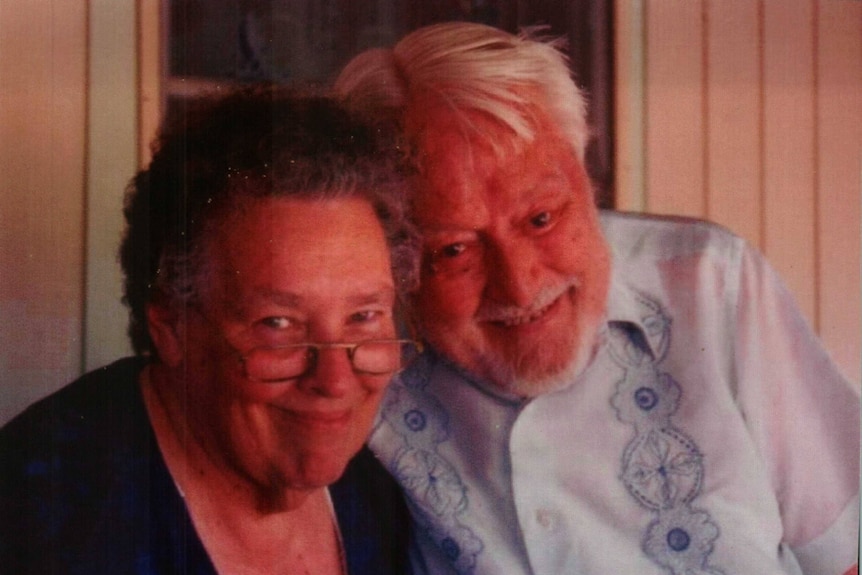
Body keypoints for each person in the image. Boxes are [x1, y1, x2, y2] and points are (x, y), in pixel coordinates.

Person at [335, 22, 860, 575]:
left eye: (541, 218)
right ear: (393, 245)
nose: (520, 285)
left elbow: (846, 552)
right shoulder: (359, 355)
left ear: (586, 171)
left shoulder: (711, 284)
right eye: (455, 250)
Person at [0, 87, 420, 574]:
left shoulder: (385, 490)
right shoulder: (38, 523)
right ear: (171, 326)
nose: (335, 381)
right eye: (278, 324)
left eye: (364, 317)